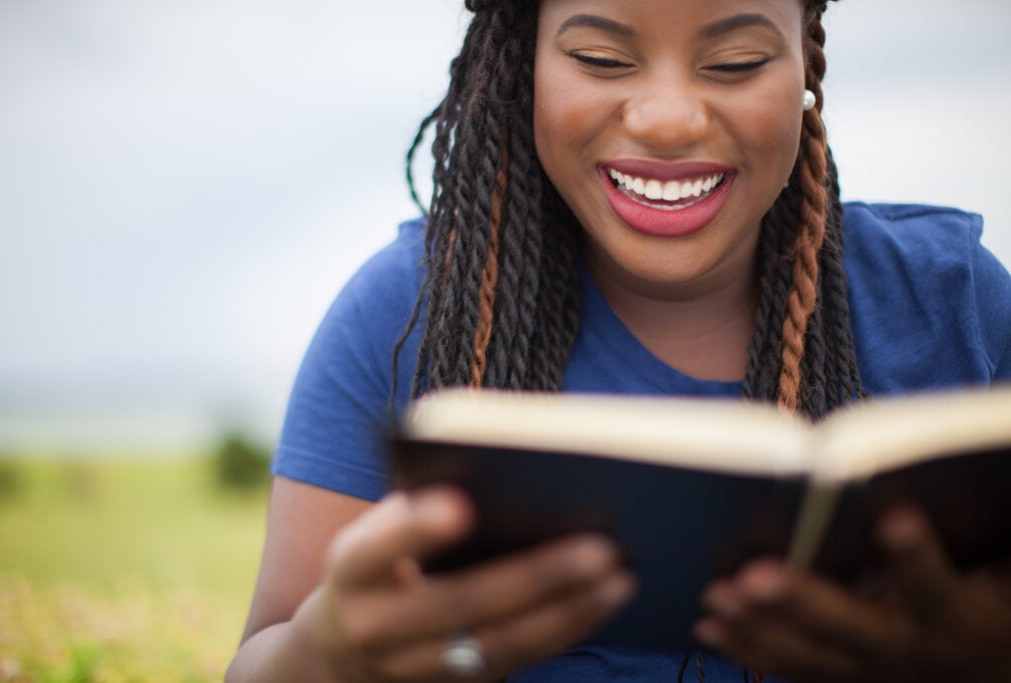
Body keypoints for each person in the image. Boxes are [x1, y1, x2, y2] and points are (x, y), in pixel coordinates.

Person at [226, 0, 1011, 681]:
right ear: (524, 63)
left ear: (806, 59)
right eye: (600, 58)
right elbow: (264, 657)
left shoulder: (956, 303)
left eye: (735, 62)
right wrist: (330, 656)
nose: (668, 119)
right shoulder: (403, 312)